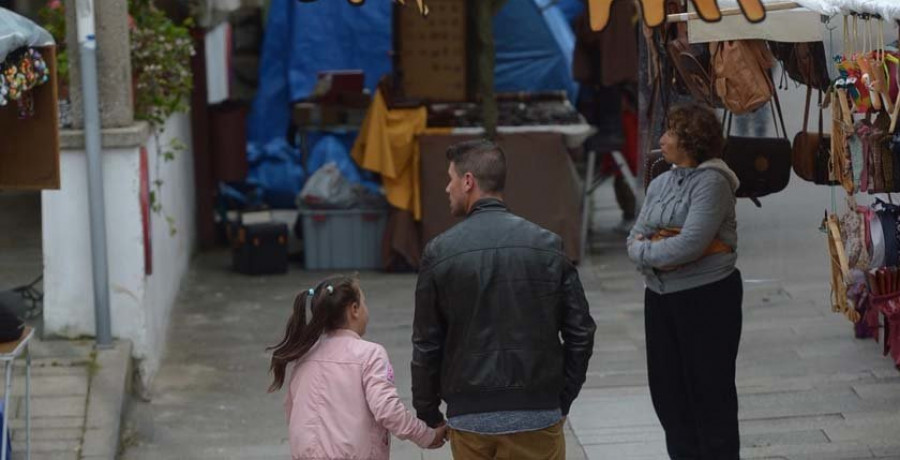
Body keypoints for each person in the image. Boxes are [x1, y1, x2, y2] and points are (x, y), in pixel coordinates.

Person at [412, 139, 597, 460]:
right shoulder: (547, 245)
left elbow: (427, 343)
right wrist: (561, 398)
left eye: (451, 178)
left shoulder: (440, 252)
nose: (447, 188)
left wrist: (428, 412)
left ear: (468, 182)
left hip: (470, 416)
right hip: (536, 412)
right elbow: (581, 332)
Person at [626, 104, 744, 459]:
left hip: (706, 297)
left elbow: (691, 244)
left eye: (670, 133)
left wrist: (650, 249)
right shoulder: (661, 181)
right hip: (660, 298)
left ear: (691, 141)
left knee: (709, 391)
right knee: (668, 393)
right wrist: (655, 247)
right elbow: (635, 235)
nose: (662, 140)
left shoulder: (713, 183)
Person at [268, 275, 447, 460]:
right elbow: (388, 410)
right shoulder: (370, 354)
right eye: (364, 302)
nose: (366, 309)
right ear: (354, 309)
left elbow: (292, 409)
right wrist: (426, 435)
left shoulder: (304, 356)